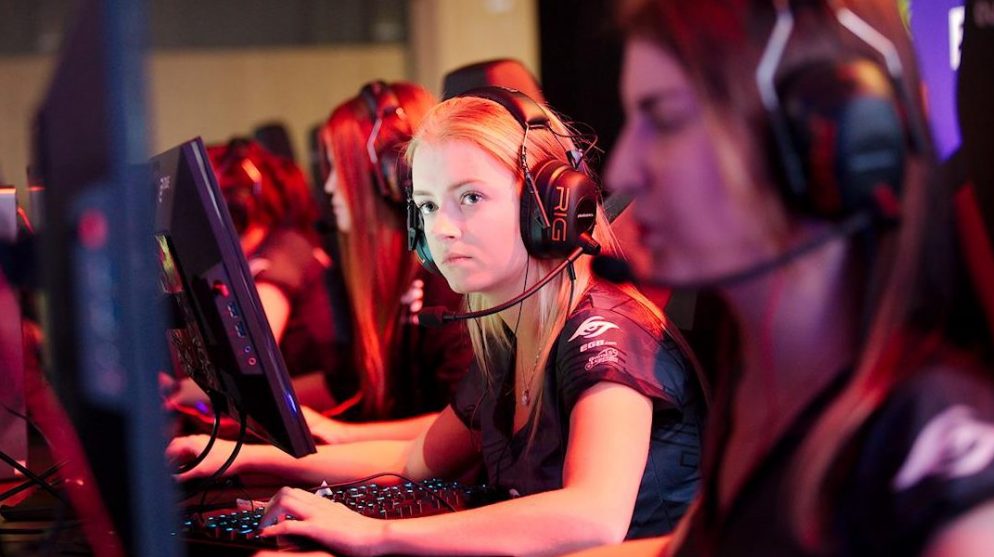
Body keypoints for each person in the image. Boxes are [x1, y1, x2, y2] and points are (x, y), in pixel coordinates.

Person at [168, 87, 707, 555]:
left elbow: (591, 516)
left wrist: (373, 537)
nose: (441, 229)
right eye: (425, 206)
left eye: (469, 198)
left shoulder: (606, 335)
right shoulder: (509, 338)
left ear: (550, 209)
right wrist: (250, 461)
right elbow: (412, 460)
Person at [573, 0, 994, 556]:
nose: (621, 170)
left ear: (821, 140)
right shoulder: (759, 389)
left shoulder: (942, 452)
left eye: (663, 119)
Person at [301, 81, 474, 443]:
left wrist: (338, 434)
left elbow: (468, 421)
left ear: (394, 175)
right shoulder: (388, 282)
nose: (329, 187)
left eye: (338, 169)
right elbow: (349, 379)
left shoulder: (449, 278)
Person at [165, 138, 346, 412]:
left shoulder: (285, 251)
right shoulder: (252, 257)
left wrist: (174, 392)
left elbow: (246, 352)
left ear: (234, 207)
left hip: (322, 416)